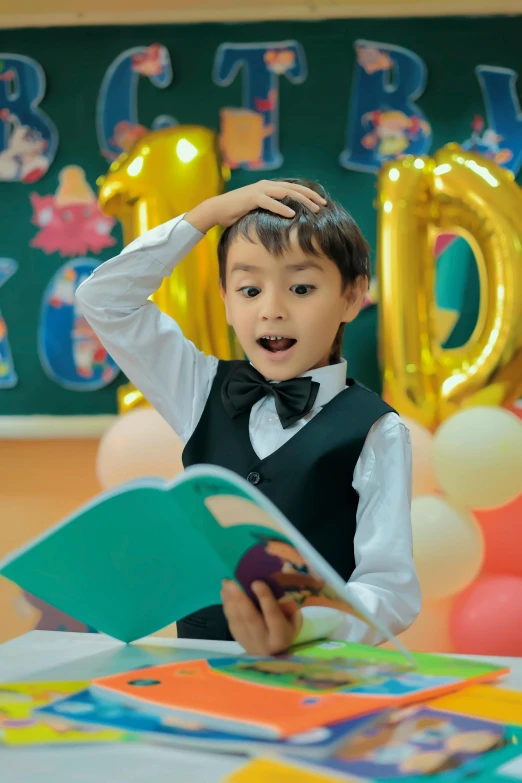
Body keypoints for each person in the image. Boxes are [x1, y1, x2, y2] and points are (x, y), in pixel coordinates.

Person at [76, 178, 421, 655]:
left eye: (301, 287)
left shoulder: (378, 430)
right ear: (225, 298)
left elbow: (391, 590)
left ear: (351, 296)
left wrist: (307, 623)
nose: (272, 310)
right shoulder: (198, 387)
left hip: (317, 679)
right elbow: (104, 300)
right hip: (200, 673)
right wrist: (204, 216)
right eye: (249, 289)